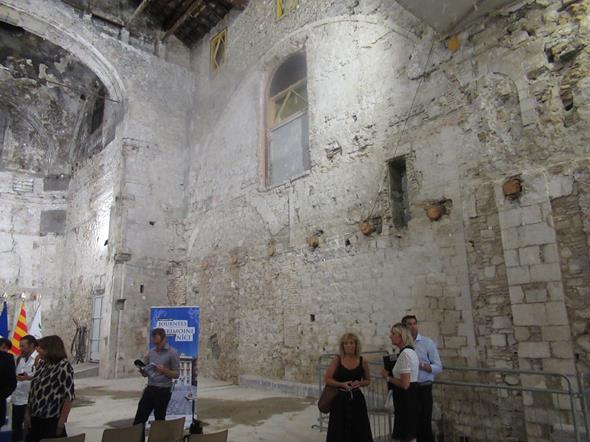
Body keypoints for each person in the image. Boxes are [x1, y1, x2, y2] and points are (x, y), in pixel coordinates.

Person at [324, 332, 373, 442]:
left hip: (357, 400)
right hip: (340, 400)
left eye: (351, 343)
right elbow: (327, 379)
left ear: (356, 345)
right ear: (342, 346)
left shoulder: (362, 361)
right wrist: (341, 384)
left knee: (359, 430)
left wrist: (360, 383)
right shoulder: (337, 360)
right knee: (339, 430)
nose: (348, 346)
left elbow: (368, 380)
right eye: (345, 343)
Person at [25, 335, 74, 442]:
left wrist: (61, 422)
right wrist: (28, 413)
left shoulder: (63, 366)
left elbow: (68, 397)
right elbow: (33, 391)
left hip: (51, 421)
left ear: (50, 349)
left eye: (40, 348)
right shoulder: (42, 364)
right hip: (35, 418)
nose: (37, 351)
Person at [133, 328, 180, 438]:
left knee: (159, 421)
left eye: (159, 343)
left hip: (163, 391)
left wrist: (164, 370)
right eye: (155, 343)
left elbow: (176, 374)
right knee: (139, 419)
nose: (157, 346)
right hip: (150, 389)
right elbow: (146, 373)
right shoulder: (151, 352)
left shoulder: (172, 353)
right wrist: (143, 371)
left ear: (164, 339)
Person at [402, 315, 442, 442]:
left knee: (425, 425)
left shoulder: (427, 343)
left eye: (414, 323)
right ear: (404, 327)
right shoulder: (402, 345)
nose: (413, 327)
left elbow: (438, 366)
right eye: (409, 324)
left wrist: (422, 365)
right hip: (408, 389)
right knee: (411, 426)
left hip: (423, 388)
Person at [381, 323, 419, 442]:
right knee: (407, 434)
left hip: (405, 399)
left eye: (393, 333)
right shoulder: (410, 352)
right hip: (408, 397)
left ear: (401, 335)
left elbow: (405, 384)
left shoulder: (405, 354)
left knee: (404, 434)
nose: (390, 336)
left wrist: (387, 377)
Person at [12, 335, 38, 442]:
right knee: (16, 427)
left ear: (31, 345)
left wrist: (28, 378)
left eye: (23, 346)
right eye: (20, 346)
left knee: (30, 427)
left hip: (30, 399)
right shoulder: (20, 359)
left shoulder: (38, 359)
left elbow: (41, 378)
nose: (21, 348)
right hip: (18, 398)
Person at [0, 338, 16, 430]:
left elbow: (12, 382)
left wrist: (2, 396)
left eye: (6, 348)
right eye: (3, 347)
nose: (4, 351)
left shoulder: (7, 358)